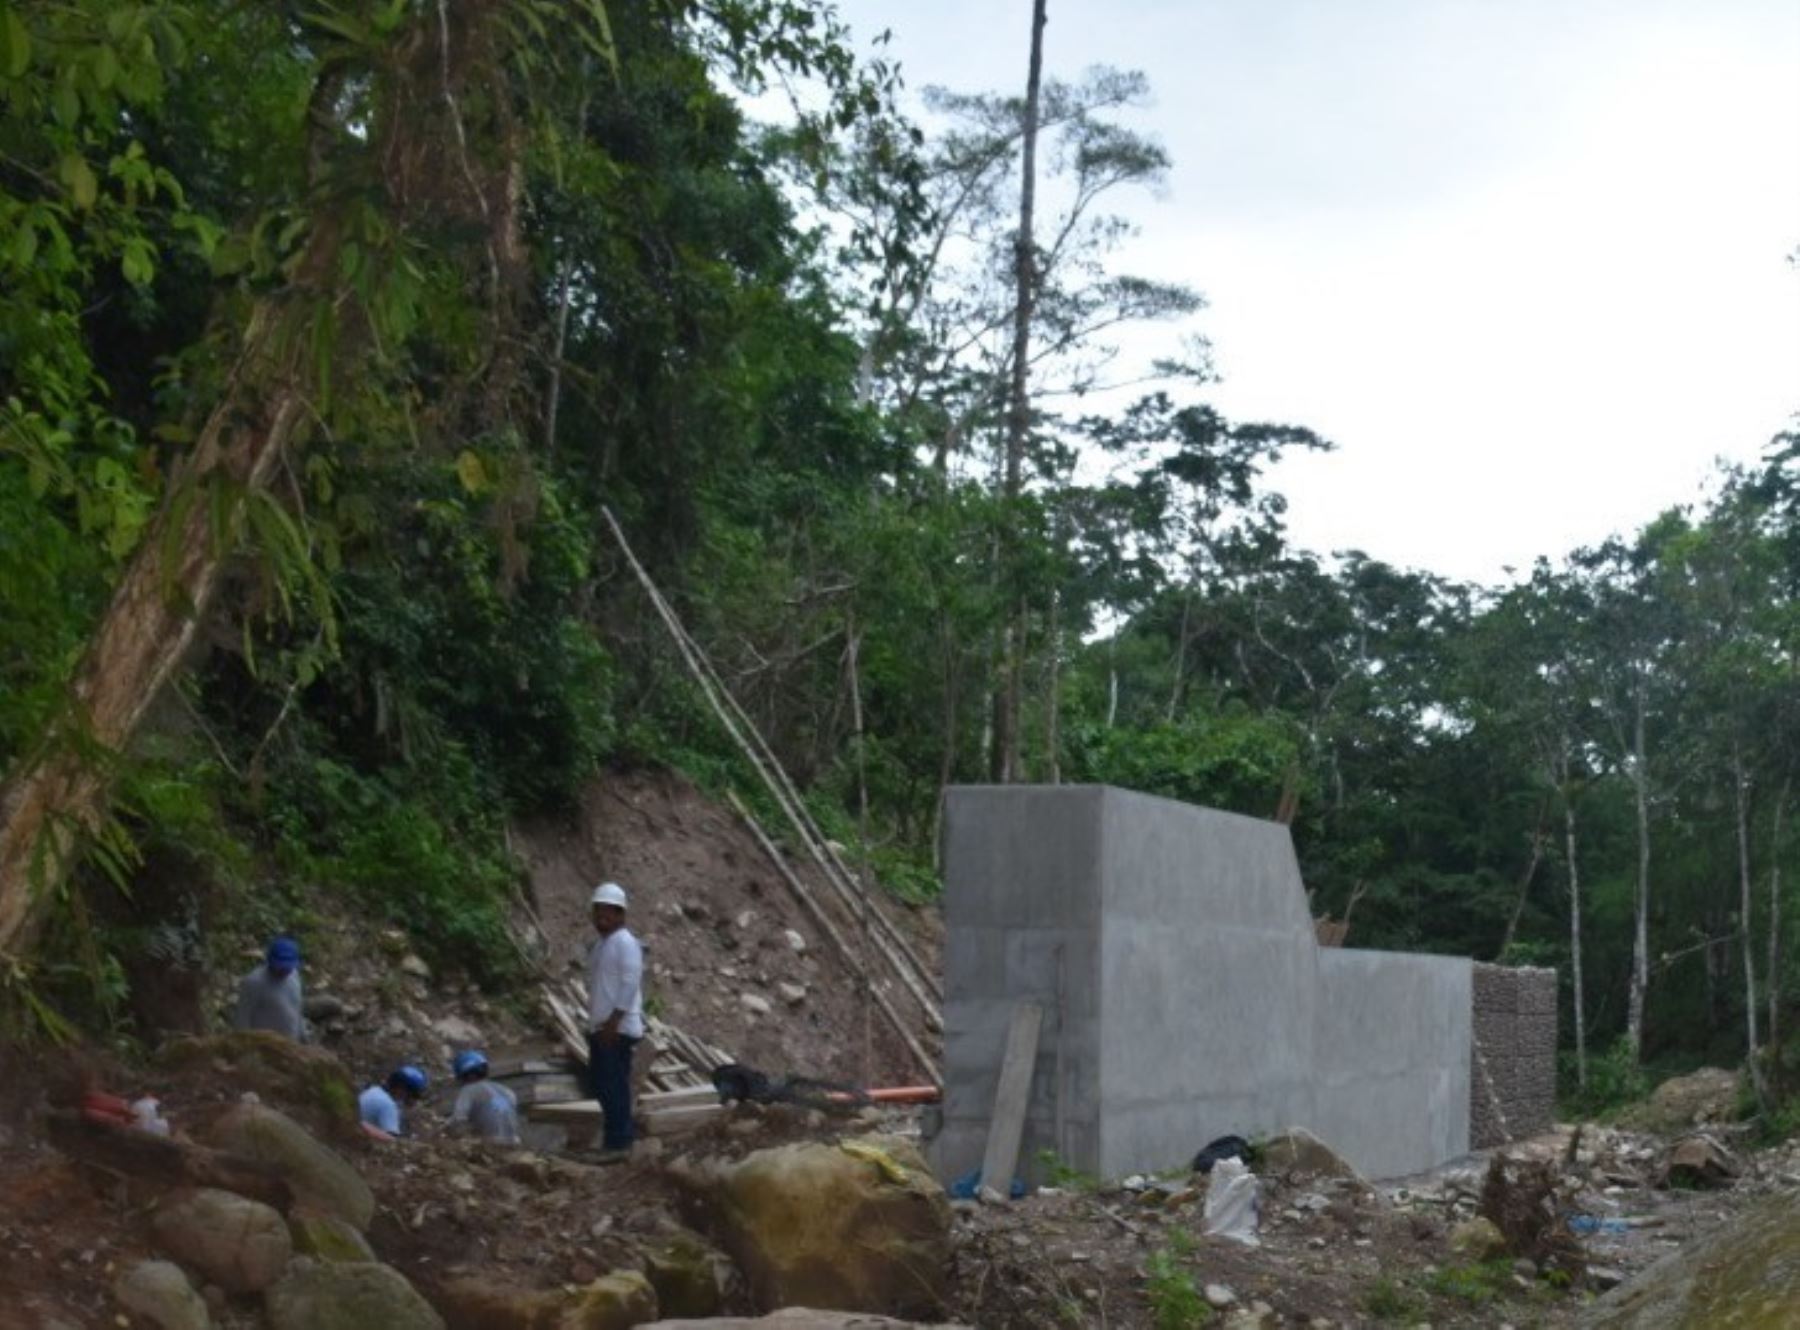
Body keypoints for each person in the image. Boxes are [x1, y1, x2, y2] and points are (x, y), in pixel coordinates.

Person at [583, 881, 644, 1161]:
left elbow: (631, 982)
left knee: (613, 1085)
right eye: (599, 912)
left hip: (616, 1028)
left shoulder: (625, 942)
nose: (602, 917)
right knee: (603, 1084)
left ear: (621, 914)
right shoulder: (601, 946)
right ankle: (614, 1139)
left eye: (608, 912)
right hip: (603, 1026)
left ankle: (620, 1143)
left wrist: (613, 1021)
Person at [233, 935, 305, 1040]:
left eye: (287, 967)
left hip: (290, 1043)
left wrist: (302, 1034)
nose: (283, 971)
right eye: (280, 967)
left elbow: (297, 1008)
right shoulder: (254, 982)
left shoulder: (294, 975)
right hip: (265, 1046)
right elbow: (242, 1019)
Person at [448, 1050, 521, 1145]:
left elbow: (458, 1119)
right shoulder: (506, 1090)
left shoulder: (469, 1090)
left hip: (490, 1142)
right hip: (514, 1141)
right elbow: (501, 1115)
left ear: (465, 1074)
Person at [359, 1065, 427, 1137]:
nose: (412, 1099)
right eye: (413, 1094)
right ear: (402, 1089)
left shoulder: (374, 1090)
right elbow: (390, 1140)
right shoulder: (388, 1105)